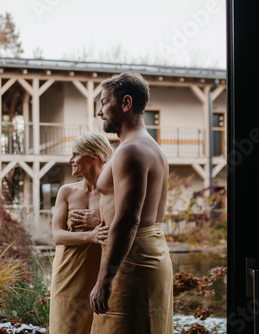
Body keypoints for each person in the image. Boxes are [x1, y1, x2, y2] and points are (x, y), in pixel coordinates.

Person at [89, 73, 174, 333]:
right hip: (146, 254)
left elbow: (128, 220)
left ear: (126, 103)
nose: (99, 112)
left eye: (104, 102)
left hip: (132, 262)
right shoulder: (150, 147)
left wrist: (105, 279)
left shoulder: (130, 150)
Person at [49, 132, 113, 334]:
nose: (70, 160)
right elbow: (58, 236)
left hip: (99, 276)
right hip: (66, 273)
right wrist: (90, 235)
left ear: (94, 156)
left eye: (76, 154)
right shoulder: (66, 191)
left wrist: (100, 223)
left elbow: (127, 231)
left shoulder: (113, 193)